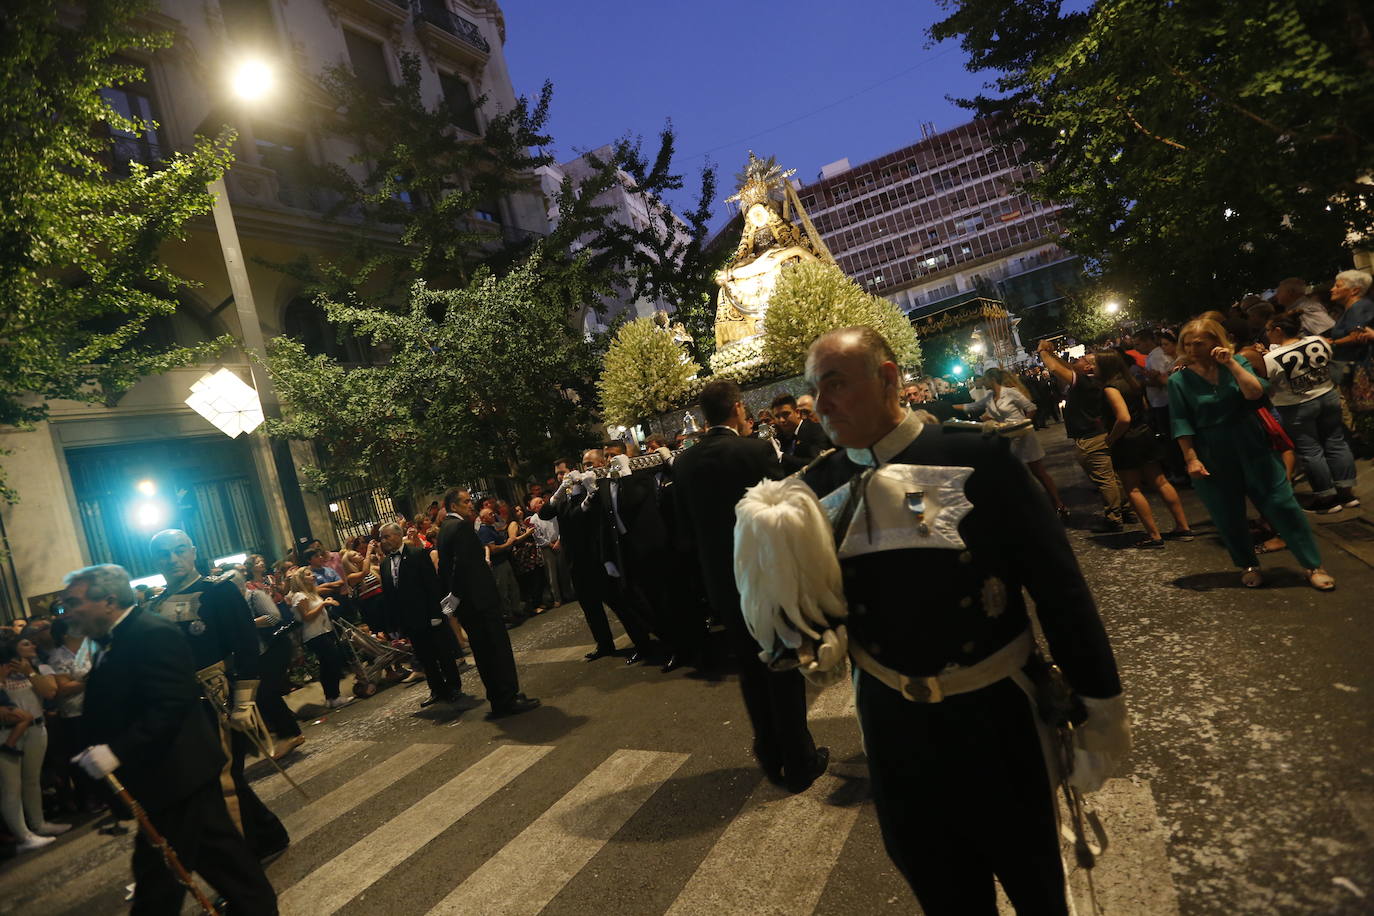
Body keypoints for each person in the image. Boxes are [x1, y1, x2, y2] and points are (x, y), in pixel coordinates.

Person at [771, 326, 1127, 915]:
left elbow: (1059, 587)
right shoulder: (808, 492)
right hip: (892, 727)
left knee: (1037, 888)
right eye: (814, 388)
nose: (820, 404)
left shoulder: (977, 455)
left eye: (834, 384)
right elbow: (810, 618)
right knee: (943, 895)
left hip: (996, 713)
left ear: (887, 379)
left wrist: (1098, 704)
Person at [62, 564, 278, 914]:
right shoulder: (112, 638)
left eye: (75, 602)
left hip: (175, 774)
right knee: (226, 865)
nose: (69, 612)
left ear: (109, 600)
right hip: (170, 777)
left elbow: (171, 704)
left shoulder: (150, 632)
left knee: (157, 884)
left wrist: (116, 752)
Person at [672, 379, 826, 791]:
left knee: (749, 666)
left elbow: (684, 528)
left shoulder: (683, 464)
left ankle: (769, 748)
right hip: (763, 571)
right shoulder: (753, 451)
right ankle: (798, 758)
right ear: (738, 408)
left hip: (720, 579)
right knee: (782, 661)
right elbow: (784, 505)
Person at [144, 529, 289, 859]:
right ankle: (267, 833)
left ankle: (244, 857)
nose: (172, 558)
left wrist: (244, 699)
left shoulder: (220, 591)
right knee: (216, 779)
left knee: (224, 778)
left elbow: (246, 645)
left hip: (219, 697)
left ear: (193, 552)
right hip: (184, 707)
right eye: (164, 553)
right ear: (155, 560)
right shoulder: (155, 606)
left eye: (179, 550)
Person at [1168, 319, 1335, 590]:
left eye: (1199, 343)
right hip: (1211, 450)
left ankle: (1312, 564)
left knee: (1282, 504)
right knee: (1227, 513)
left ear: (1216, 342)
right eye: (1187, 344)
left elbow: (1255, 392)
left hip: (1251, 443)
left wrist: (1230, 364)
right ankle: (1248, 564)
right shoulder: (1178, 379)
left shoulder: (1237, 363)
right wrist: (1191, 458)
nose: (1192, 348)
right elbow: (1180, 421)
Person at [434, 494, 540, 718]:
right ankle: (507, 699)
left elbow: (449, 569)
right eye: (465, 501)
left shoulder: (445, 529)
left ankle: (500, 697)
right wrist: (457, 597)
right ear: (453, 506)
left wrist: (454, 600)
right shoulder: (460, 527)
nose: (470, 504)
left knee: (485, 655)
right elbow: (462, 567)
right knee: (497, 652)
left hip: (469, 606)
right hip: (480, 603)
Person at [538, 458, 645, 661]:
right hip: (575, 562)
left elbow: (586, 516)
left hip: (596, 558)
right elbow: (544, 514)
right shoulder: (563, 498)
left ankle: (641, 642)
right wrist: (559, 492)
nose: (562, 477)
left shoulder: (589, 488)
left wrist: (588, 492)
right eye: (558, 474)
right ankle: (604, 644)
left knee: (619, 604)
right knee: (590, 608)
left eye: (564, 472)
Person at [1094, 350, 1195, 547]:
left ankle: (1153, 535)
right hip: (1144, 435)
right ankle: (1183, 527)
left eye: (1096, 364)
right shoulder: (1133, 382)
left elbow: (1123, 418)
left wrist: (1110, 439)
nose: (1094, 368)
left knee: (1132, 488)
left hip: (1127, 440)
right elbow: (1144, 407)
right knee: (1161, 482)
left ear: (1105, 366)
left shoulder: (1111, 388)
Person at [1264, 310, 1360, 513]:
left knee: (1311, 451)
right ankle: (1347, 493)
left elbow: (1267, 382)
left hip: (1296, 406)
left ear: (1278, 330)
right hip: (1327, 395)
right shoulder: (1318, 341)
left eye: (1268, 330)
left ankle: (1327, 499)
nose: (1267, 334)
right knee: (1336, 442)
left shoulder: (1272, 357)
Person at [954, 367, 1069, 519]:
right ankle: (1033, 507)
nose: (982, 382)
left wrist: (1024, 425)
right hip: (1007, 438)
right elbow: (980, 411)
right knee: (1018, 473)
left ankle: (1058, 504)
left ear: (992, 380)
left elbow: (1031, 408)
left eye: (985, 379)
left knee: (1038, 471)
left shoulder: (1010, 392)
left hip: (1024, 437)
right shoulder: (989, 397)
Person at [1038, 340, 1128, 530]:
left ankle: (1114, 517)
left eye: (1082, 358)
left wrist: (1043, 352)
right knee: (1111, 477)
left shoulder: (1087, 382)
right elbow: (1067, 366)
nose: (1077, 359)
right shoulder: (1091, 379)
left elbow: (1055, 369)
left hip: (1091, 437)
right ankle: (1125, 509)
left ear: (1089, 367)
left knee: (1105, 479)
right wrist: (1052, 354)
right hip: (1094, 433)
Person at [377, 522, 468, 708]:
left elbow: (432, 585)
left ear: (397, 535)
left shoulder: (417, 554)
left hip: (428, 615)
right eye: (382, 538)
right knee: (425, 656)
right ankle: (436, 689)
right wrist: (393, 624)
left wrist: (436, 613)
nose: (383, 541)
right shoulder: (385, 563)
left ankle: (453, 687)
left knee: (442, 653)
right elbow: (389, 595)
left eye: (386, 537)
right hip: (409, 620)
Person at [0, 636, 69, 851]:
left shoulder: (39, 667)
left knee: (31, 780)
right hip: (7, 732)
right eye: (26, 644)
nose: (33, 646)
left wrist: (30, 671)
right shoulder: (2, 671)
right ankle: (23, 836)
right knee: (11, 787)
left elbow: (49, 691)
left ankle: (38, 825)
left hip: (36, 728)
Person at [45, 616, 96, 814]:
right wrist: (93, 680)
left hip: (96, 707)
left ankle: (108, 794)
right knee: (82, 756)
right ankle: (87, 797)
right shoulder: (58, 656)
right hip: (74, 712)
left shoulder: (91, 647)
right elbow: (64, 688)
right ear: (65, 633)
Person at [1323, 269, 1374, 386]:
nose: (1332, 289)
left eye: (1337, 286)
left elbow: (1357, 335)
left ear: (1354, 290)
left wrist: (1332, 343)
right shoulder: (1356, 307)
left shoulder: (1358, 308)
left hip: (1362, 370)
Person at [477, 507, 526, 628]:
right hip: (498, 564)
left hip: (504, 561)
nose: (493, 515)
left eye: (493, 513)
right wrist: (507, 544)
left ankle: (516, 611)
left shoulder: (491, 527)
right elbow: (492, 549)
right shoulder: (484, 531)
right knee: (503, 590)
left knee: (513, 587)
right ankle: (508, 616)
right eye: (490, 514)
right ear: (483, 518)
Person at [770, 393, 831, 471]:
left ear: (797, 413)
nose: (781, 420)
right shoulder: (782, 437)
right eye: (777, 416)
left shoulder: (814, 429)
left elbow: (818, 461)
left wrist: (782, 456)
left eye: (785, 414)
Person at [527, 496, 568, 608]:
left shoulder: (552, 512)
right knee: (552, 574)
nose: (543, 503)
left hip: (559, 542)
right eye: (540, 502)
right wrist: (550, 544)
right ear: (535, 508)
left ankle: (568, 593)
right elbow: (537, 536)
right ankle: (557, 598)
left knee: (564, 569)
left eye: (542, 501)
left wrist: (559, 540)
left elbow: (560, 526)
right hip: (547, 547)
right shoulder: (533, 519)